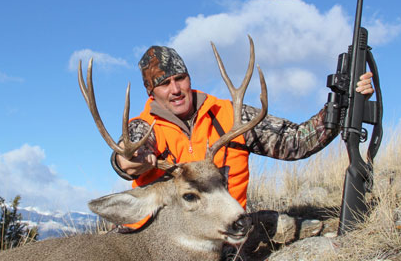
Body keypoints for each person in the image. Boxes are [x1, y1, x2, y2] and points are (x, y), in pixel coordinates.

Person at [111, 45, 374, 214]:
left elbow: (295, 142)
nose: (176, 89)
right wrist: (127, 160)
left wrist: (341, 105)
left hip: (226, 235)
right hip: (162, 246)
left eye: (180, 78)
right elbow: (127, 149)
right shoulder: (144, 127)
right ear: (151, 92)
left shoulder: (230, 115)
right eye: (164, 83)